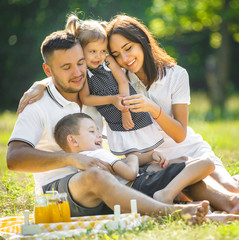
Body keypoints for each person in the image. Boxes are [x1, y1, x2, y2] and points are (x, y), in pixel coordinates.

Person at [17, 15, 239, 194]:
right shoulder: (120, 75)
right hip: (149, 155)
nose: (125, 59)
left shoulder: (175, 75)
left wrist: (152, 108)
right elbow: (77, 70)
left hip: (181, 146)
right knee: (193, 193)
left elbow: (180, 133)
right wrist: (41, 83)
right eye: (115, 54)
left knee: (232, 188)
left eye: (128, 49)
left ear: (143, 41)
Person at [6, 29, 209, 222]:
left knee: (173, 167)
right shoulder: (36, 105)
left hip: (108, 182)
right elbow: (14, 159)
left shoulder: (94, 98)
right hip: (60, 194)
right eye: (66, 67)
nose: (77, 73)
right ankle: (173, 213)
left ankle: (228, 204)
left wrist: (141, 158)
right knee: (95, 176)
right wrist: (73, 159)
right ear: (48, 70)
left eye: (80, 63)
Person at [54, 112, 215, 204]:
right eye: (91, 131)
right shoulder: (98, 154)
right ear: (73, 140)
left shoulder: (82, 160)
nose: (98, 135)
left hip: (137, 189)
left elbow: (119, 167)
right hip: (141, 184)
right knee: (206, 163)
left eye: (97, 131)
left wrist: (150, 155)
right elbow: (129, 173)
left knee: (184, 168)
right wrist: (132, 157)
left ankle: (181, 200)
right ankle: (167, 193)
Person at [62, 15, 165, 156]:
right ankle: (139, 170)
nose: (98, 56)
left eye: (103, 51)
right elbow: (86, 98)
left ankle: (153, 161)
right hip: (113, 117)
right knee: (131, 154)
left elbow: (123, 81)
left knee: (148, 147)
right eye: (92, 51)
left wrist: (125, 110)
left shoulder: (108, 60)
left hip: (130, 107)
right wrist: (112, 100)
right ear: (80, 49)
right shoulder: (83, 71)